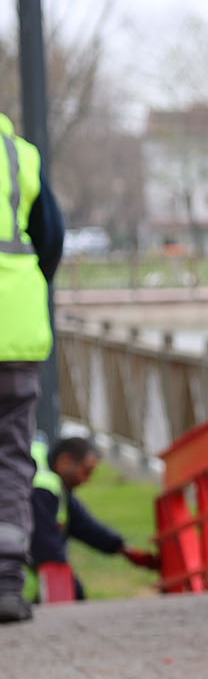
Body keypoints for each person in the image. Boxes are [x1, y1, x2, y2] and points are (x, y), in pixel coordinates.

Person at [0, 112, 65, 625]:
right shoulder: (17, 152)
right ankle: (5, 583)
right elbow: (51, 236)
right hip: (18, 326)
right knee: (13, 456)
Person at [28, 435, 159, 597]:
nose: (87, 480)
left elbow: (85, 525)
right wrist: (73, 592)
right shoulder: (42, 487)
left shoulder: (51, 482)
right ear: (65, 461)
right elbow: (46, 548)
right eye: (86, 472)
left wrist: (124, 549)